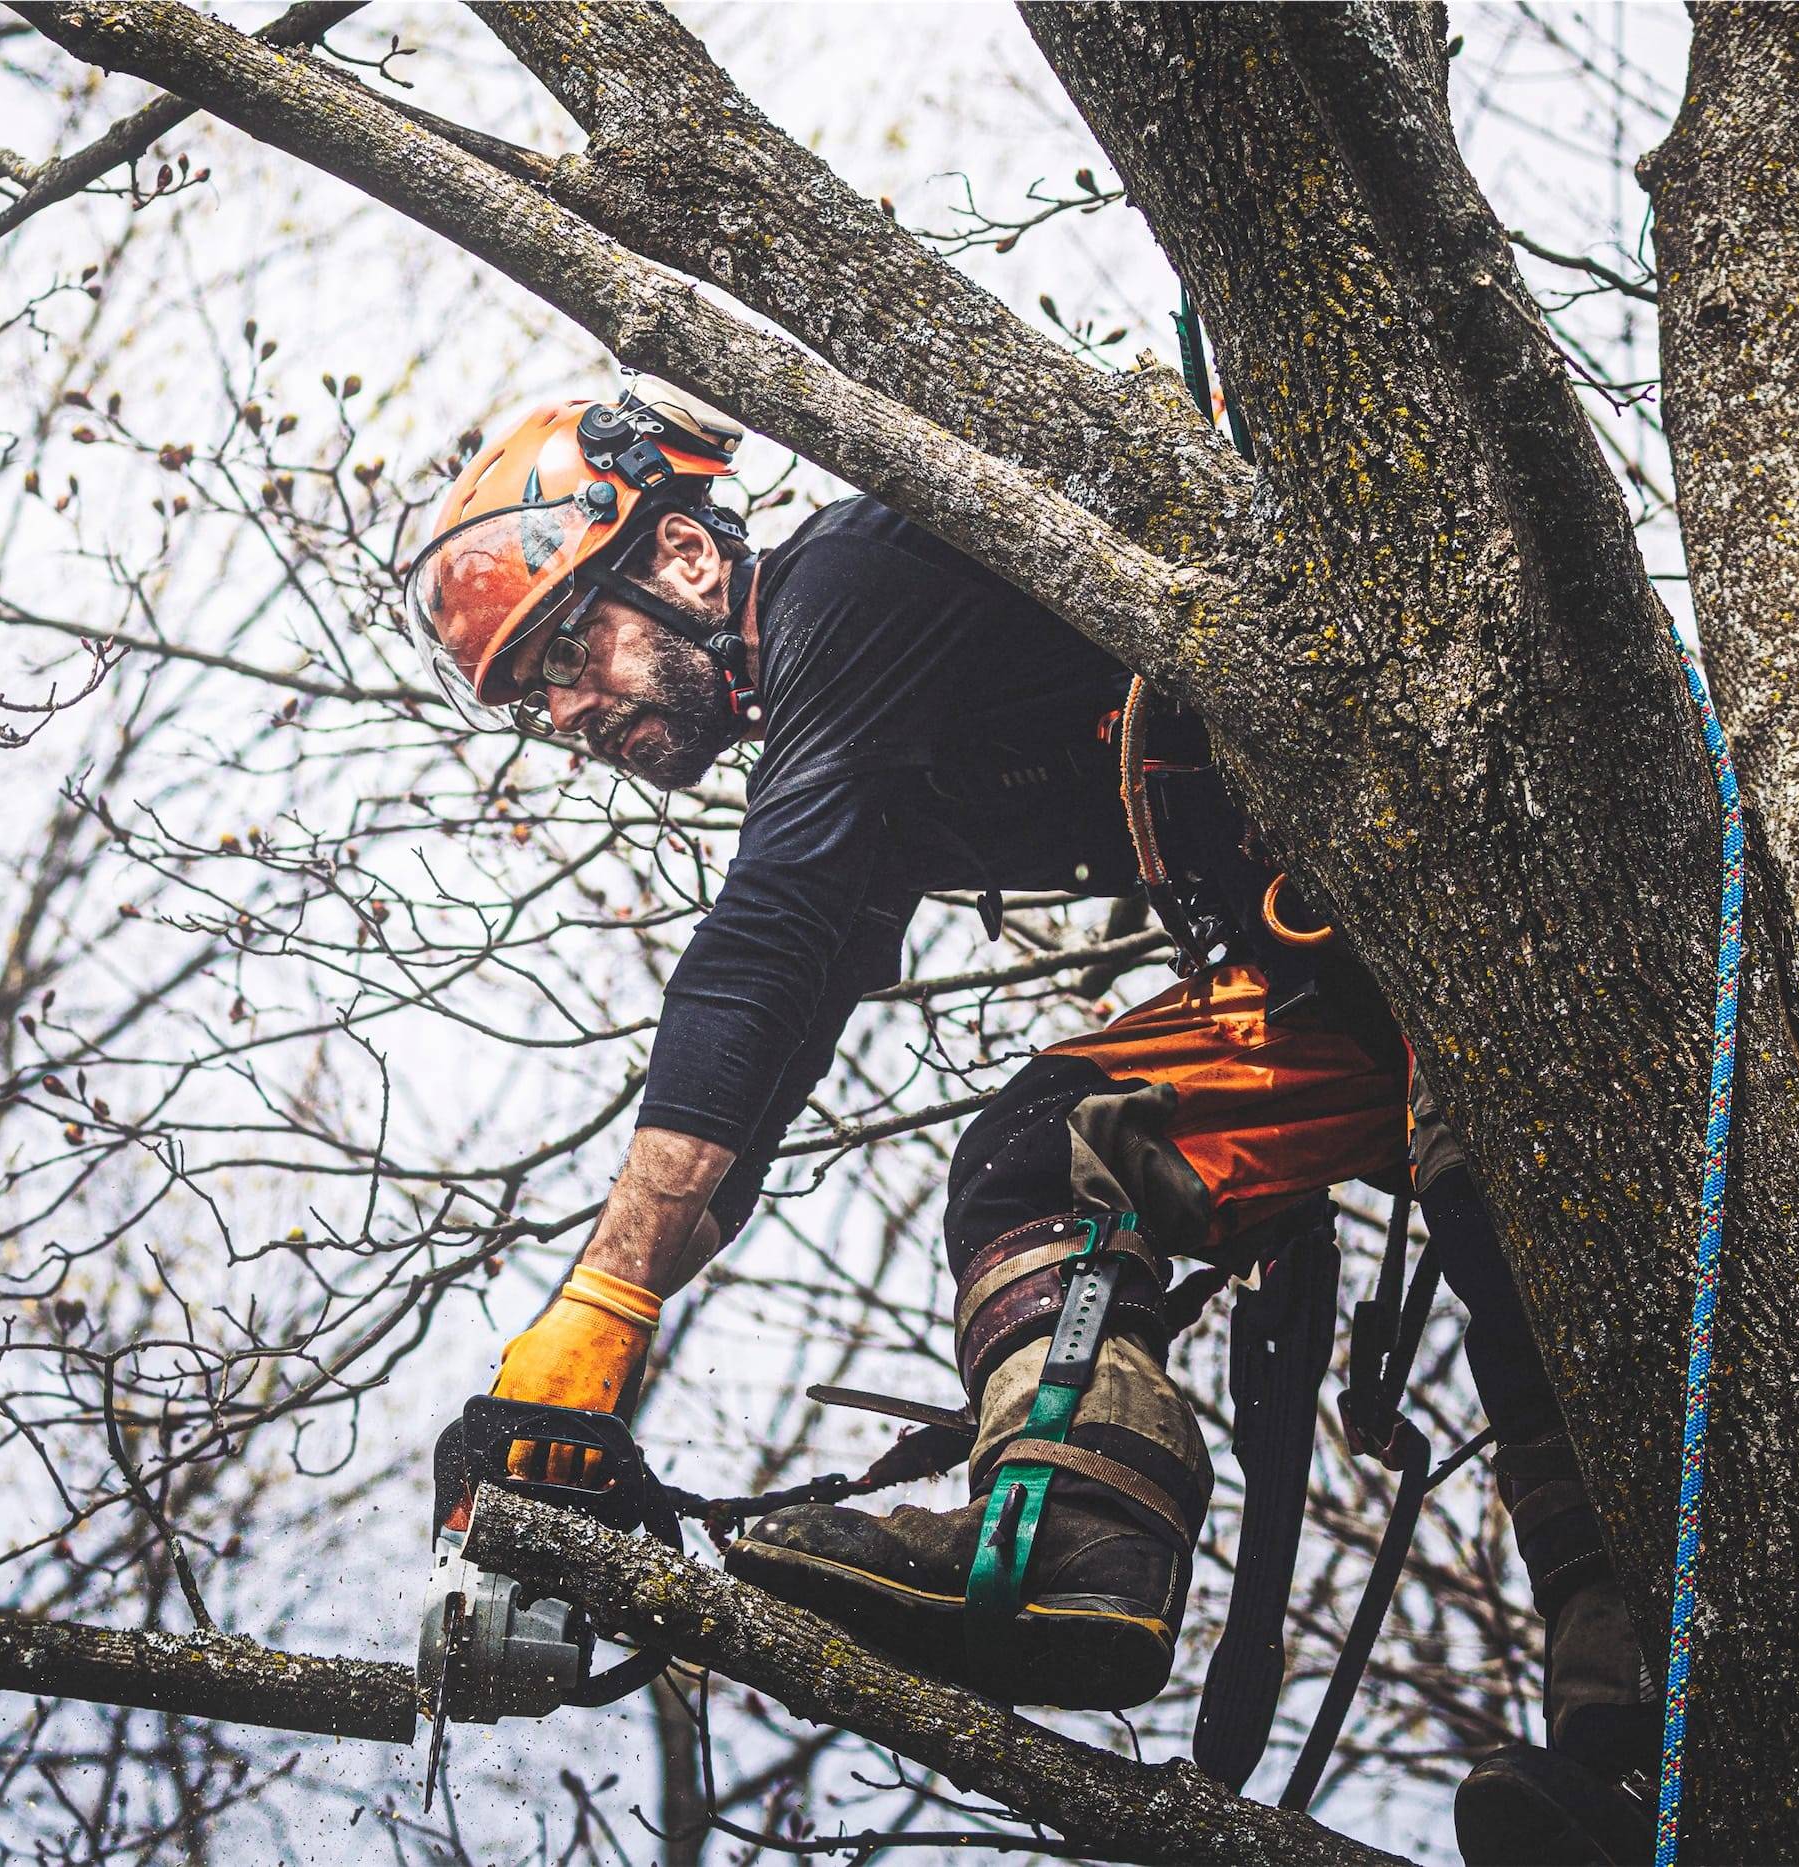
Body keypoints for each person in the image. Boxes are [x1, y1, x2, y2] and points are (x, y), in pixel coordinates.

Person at [404, 380, 1653, 1863]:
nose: (566, 713)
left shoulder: (867, 581)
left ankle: (1635, 1742)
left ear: (682, 559)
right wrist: (605, 1333)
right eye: (536, 696)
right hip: (1347, 972)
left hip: (1497, 897)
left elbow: (766, 926)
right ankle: (1067, 1543)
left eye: (569, 649)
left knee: (1523, 1239)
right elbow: (779, 1021)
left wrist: (604, 1301)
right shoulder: (879, 744)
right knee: (1041, 1161)